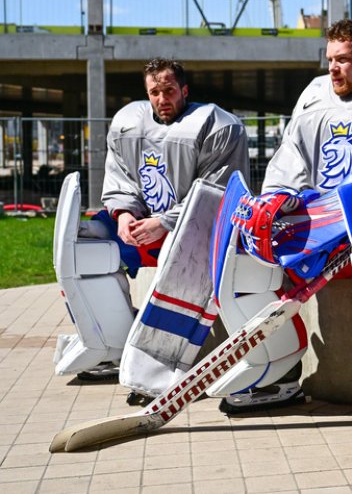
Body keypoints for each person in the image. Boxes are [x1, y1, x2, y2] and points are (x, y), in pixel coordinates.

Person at [210, 18, 352, 413]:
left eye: (345, 59)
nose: (334, 67)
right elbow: (291, 160)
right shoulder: (314, 94)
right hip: (318, 228)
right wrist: (278, 200)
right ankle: (277, 373)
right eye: (330, 58)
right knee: (250, 258)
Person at [53, 57, 250, 401]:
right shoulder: (129, 122)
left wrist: (165, 222)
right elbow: (122, 177)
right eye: (155, 92)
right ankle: (111, 344)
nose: (162, 99)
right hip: (142, 226)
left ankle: (161, 360)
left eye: (169, 90)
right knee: (82, 247)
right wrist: (124, 214)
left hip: (193, 232)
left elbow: (216, 193)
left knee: (180, 261)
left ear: (184, 90)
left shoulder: (217, 125)